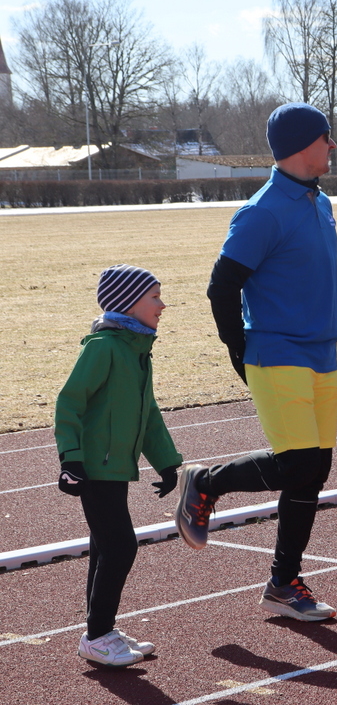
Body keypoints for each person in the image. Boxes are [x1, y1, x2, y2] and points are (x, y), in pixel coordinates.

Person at [175, 102, 337, 622]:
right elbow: (222, 286)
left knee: (314, 471)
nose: (333, 145)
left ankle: (282, 583)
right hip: (276, 353)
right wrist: (238, 350)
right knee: (298, 463)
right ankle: (205, 482)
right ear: (302, 144)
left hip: (323, 353)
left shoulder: (321, 201)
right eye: (326, 136)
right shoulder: (262, 211)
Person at [55, 264, 182, 667]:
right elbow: (69, 403)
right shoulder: (104, 347)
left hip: (114, 467)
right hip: (94, 468)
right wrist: (70, 459)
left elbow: (148, 413)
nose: (162, 304)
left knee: (104, 547)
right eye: (154, 296)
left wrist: (166, 463)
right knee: (120, 545)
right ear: (128, 303)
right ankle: (96, 636)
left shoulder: (136, 351)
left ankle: (101, 630)